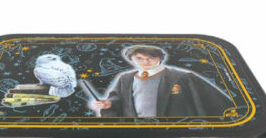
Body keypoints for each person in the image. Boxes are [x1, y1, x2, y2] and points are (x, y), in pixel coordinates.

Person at [92, 45, 232, 118]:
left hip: (172, 133)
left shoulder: (182, 77)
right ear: (132, 59)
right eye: (139, 58)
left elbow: (210, 100)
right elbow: (117, 99)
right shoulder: (125, 79)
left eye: (151, 58)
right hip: (137, 132)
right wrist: (108, 104)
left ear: (159, 58)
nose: (145, 62)